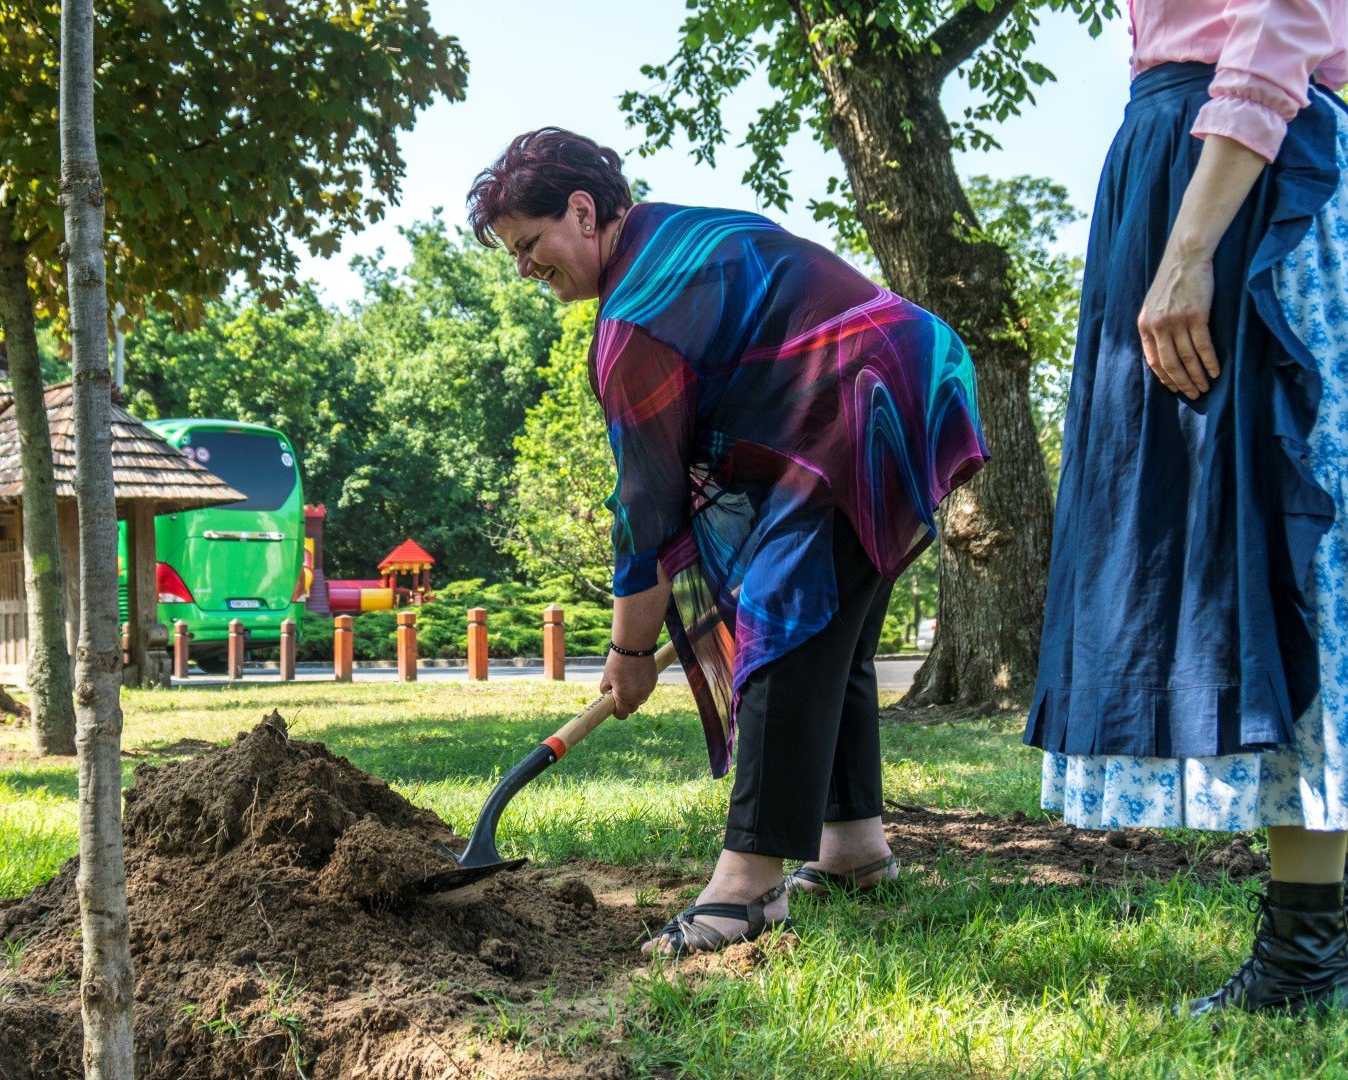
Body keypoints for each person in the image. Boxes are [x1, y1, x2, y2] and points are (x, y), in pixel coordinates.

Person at [466, 129, 989, 954]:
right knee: (828, 636)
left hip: (862, 403)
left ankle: (746, 887)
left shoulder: (636, 317)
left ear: (580, 210)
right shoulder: (673, 234)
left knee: (783, 620)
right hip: (914, 381)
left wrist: (629, 650)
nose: (525, 269)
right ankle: (853, 848)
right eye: (514, 256)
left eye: (530, 245)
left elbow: (646, 508)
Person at [1026, 0, 1348, 1014]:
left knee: (1291, 541)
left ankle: (1307, 955)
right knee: (1244, 549)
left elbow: (1281, 18)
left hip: (1236, 177)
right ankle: (1310, 939)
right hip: (1184, 159)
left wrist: (1185, 247)